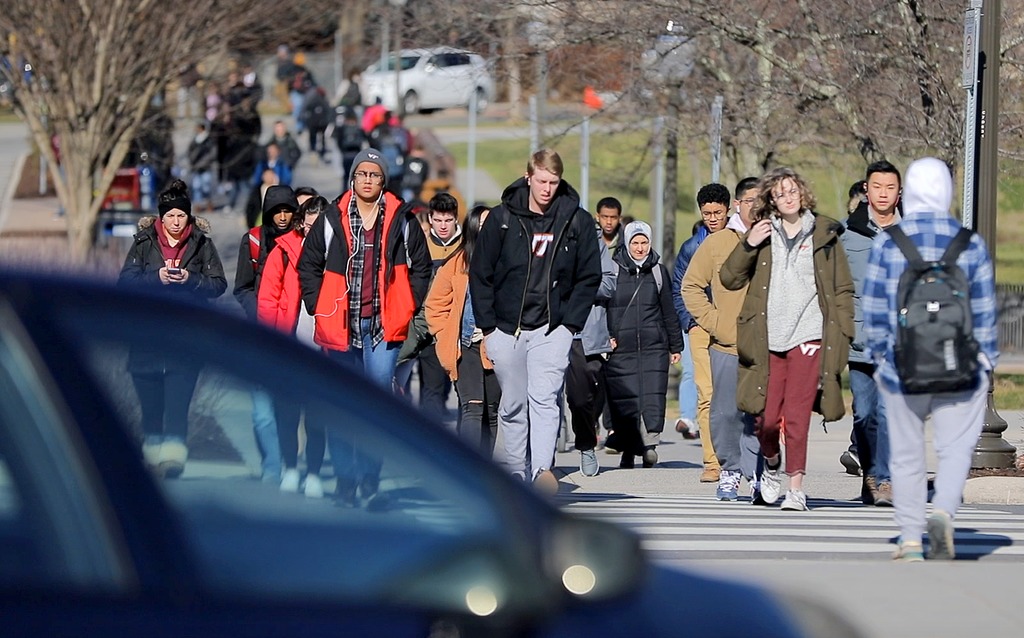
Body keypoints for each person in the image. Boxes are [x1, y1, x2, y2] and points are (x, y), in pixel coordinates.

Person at [862, 157, 997, 561]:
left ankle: (908, 538)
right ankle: (942, 511)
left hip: (903, 366)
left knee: (905, 453)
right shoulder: (969, 243)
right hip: (959, 364)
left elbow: (873, 309)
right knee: (956, 448)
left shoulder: (890, 241)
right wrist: (985, 361)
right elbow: (984, 310)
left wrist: (883, 357)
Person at [297, 148, 431, 506]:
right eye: (362, 174)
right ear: (352, 178)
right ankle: (345, 480)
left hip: (382, 331)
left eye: (374, 175)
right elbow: (308, 265)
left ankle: (369, 479)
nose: (368, 180)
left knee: (376, 408)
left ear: (383, 180)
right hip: (340, 327)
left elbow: (422, 266)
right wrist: (317, 305)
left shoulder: (401, 219)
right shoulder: (331, 218)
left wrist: (408, 305)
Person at [721, 167, 854, 512]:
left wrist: (841, 334)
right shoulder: (763, 234)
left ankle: (796, 486)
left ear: (803, 193)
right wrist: (749, 244)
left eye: (792, 190)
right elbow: (729, 279)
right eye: (780, 193)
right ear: (772, 201)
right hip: (768, 337)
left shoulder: (824, 235)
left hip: (808, 335)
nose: (788, 196)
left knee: (797, 416)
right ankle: (770, 458)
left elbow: (841, 289)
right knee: (765, 419)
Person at [469, 149, 602, 494]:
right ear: (528, 177)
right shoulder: (501, 219)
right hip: (506, 328)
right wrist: (488, 328)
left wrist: (569, 326)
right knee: (513, 402)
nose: (547, 189)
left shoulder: (577, 221)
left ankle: (542, 469)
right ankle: (515, 470)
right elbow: (480, 274)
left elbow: (589, 276)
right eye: (541, 181)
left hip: (552, 328)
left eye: (553, 182)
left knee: (544, 398)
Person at [118, 179, 227, 478]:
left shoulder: (202, 243)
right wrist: (158, 277)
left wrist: (190, 280)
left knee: (178, 407)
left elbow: (219, 284)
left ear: (189, 217)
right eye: (171, 216)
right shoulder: (143, 243)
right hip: (147, 338)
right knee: (152, 410)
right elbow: (125, 283)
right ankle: (153, 458)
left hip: (186, 336)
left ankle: (174, 458)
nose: (176, 222)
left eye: (182, 216)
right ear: (161, 218)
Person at [683, 177, 764, 501]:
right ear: (737, 204)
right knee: (724, 412)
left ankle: (758, 472)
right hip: (727, 344)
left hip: (766, 345)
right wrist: (717, 323)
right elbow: (689, 286)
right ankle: (729, 468)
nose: (753, 207)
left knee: (760, 414)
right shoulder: (717, 243)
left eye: (760, 201)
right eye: (748, 201)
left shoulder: (776, 240)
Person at [257, 195, 330, 495]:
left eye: (319, 226)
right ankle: (289, 468)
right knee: (286, 413)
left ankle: (313, 473)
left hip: (325, 346)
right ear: (301, 223)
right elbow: (267, 300)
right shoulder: (283, 252)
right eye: (309, 225)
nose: (313, 232)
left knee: (317, 417)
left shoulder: (337, 252)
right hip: (289, 344)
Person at [842, 161, 902, 507]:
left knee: (887, 411)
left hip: (896, 342)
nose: (882, 193)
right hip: (858, 340)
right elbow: (839, 289)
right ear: (867, 190)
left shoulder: (909, 235)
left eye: (889, 187)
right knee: (864, 413)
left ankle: (885, 478)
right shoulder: (849, 234)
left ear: (899, 193)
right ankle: (871, 474)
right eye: (876, 186)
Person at [233, 185, 301, 485]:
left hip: (294, 337)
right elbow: (242, 287)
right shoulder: (253, 241)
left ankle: (290, 464)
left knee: (288, 407)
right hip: (260, 337)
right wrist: (258, 313)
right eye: (277, 211)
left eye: (288, 210)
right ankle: (271, 466)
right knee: (262, 412)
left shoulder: (303, 242)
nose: (283, 216)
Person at [605, 221, 682, 469]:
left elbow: (668, 311)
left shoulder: (658, 272)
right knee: (626, 399)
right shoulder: (612, 270)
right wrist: (605, 337)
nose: (640, 248)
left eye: (644, 242)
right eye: (635, 243)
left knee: (652, 396)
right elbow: (603, 309)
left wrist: (675, 345)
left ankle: (649, 446)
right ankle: (628, 448)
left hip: (654, 346)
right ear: (627, 244)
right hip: (621, 347)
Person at [425, 205, 500, 454]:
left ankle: (487, 472)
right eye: (483, 223)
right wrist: (443, 335)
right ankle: (468, 471)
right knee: (472, 406)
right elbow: (435, 305)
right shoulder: (456, 263)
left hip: (496, 345)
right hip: (466, 345)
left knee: (492, 410)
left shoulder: (506, 262)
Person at [671, 184, 731, 482]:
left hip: (732, 328)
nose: (712, 218)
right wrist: (691, 323)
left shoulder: (739, 242)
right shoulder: (691, 247)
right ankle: (711, 461)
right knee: (705, 394)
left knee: (732, 395)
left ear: (728, 210)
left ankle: (734, 455)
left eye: (717, 212)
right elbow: (679, 288)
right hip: (700, 328)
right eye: (706, 213)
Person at [565, 225, 617, 477]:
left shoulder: (595, 243)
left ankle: (586, 444)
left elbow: (609, 284)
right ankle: (539, 457)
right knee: (539, 397)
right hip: (547, 329)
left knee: (580, 397)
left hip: (583, 335)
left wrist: (580, 286)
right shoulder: (541, 236)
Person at [416, 193, 464, 421]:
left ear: (456, 219)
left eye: (448, 220)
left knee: (467, 395)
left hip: (460, 327)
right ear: (430, 219)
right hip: (429, 326)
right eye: (438, 220)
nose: (443, 226)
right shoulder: (421, 246)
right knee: (431, 390)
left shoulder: (467, 246)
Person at [187, 121, 217, 214]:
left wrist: (204, 162)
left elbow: (212, 153)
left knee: (206, 187)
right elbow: (190, 152)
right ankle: (198, 204)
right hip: (196, 168)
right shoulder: (194, 141)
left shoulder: (209, 140)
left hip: (205, 167)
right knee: (197, 187)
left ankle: (209, 203)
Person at [334, 107, 366, 188]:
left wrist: (342, 151)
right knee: (356, 176)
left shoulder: (343, 128)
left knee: (346, 176)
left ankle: (344, 193)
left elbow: (338, 141)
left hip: (346, 154)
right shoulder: (358, 128)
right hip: (356, 154)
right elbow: (363, 139)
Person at [301, 85, 332, 164]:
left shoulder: (312, 99)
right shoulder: (323, 100)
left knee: (314, 138)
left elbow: (305, 109)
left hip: (314, 123)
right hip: (320, 123)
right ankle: (318, 151)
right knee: (320, 138)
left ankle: (314, 151)